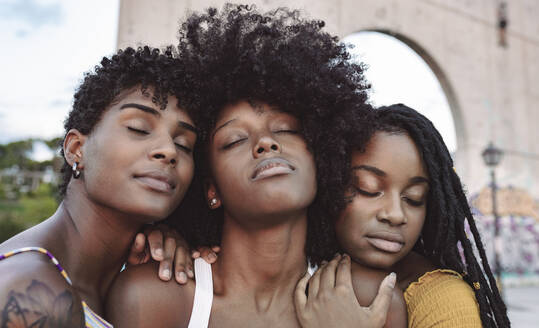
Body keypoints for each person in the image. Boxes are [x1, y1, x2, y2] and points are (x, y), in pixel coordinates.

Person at [106, 5, 402, 328]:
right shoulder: (154, 300)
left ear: (322, 155)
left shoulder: (372, 301)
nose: (266, 143)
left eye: (287, 130)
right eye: (234, 140)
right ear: (211, 189)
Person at [0, 46, 201, 327]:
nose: (169, 150)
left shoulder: (136, 279)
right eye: (138, 128)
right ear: (76, 149)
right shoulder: (32, 295)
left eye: (184, 145)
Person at [302, 104, 509, 327]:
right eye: (368, 189)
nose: (395, 215)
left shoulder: (447, 303)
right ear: (329, 187)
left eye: (414, 198)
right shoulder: (315, 285)